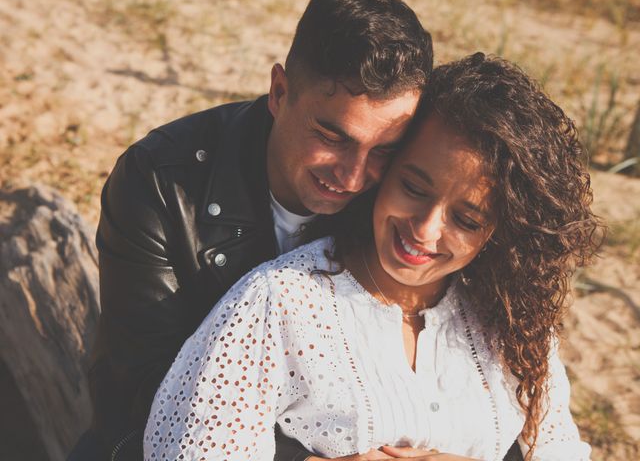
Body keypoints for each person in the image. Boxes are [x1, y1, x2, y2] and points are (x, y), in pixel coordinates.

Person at [143, 53, 601, 461]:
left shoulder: (512, 321)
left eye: (466, 219)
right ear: (385, 169)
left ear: (502, 231)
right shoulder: (279, 302)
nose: (424, 229)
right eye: (414, 188)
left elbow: (559, 447)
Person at [67, 0, 434, 461]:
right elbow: (144, 388)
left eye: (382, 150)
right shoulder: (158, 182)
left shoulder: (408, 196)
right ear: (279, 93)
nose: (354, 176)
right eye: (331, 136)